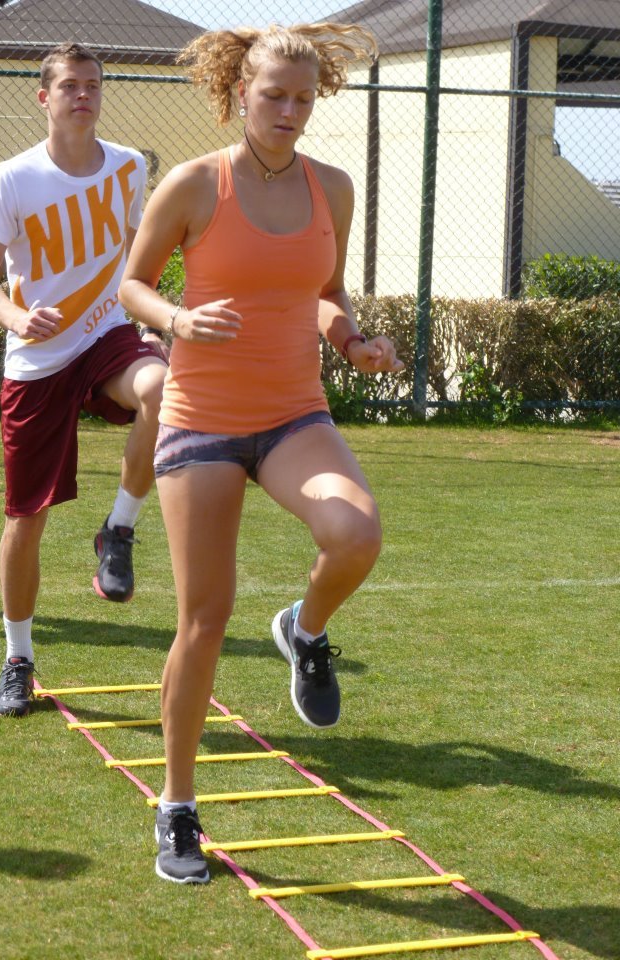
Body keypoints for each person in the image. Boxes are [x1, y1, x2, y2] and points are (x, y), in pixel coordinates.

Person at [118, 23, 404, 884]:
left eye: (302, 99)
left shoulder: (334, 189)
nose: (288, 111)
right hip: (201, 417)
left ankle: (303, 631)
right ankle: (177, 808)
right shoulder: (195, 184)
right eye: (273, 95)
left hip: (292, 413)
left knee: (356, 533)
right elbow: (131, 284)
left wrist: (350, 338)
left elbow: (322, 291)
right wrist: (175, 320)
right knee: (204, 619)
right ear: (239, 92)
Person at [0, 42, 167, 718]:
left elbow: (140, 260)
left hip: (109, 336)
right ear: (43, 97)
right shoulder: (13, 179)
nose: (84, 95)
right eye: (71, 86)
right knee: (26, 519)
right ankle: (17, 659)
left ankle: (120, 529)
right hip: (38, 358)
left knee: (163, 390)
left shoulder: (131, 165)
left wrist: (152, 315)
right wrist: (20, 316)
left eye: (93, 85)